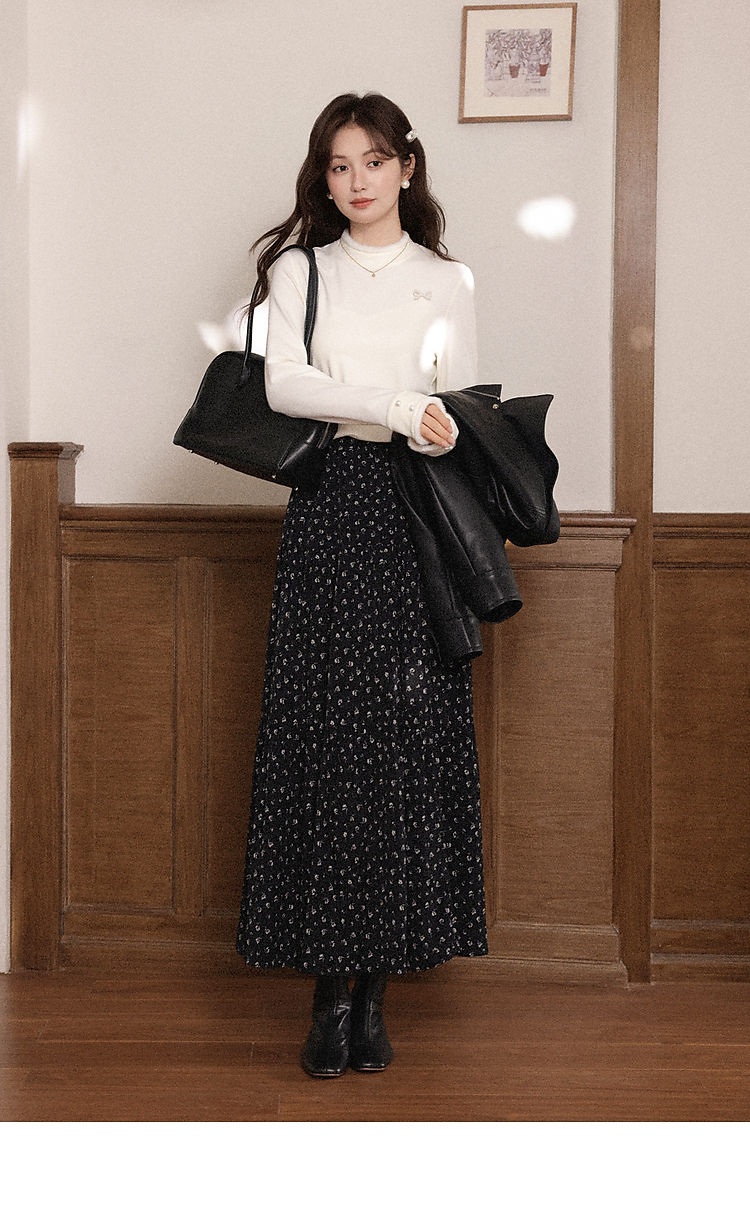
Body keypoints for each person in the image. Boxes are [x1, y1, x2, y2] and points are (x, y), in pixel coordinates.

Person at [236, 92, 488, 1078]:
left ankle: (376, 993)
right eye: (339, 165)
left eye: (374, 161)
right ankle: (326, 995)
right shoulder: (300, 269)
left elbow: (460, 402)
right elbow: (283, 385)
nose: (357, 182)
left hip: (419, 517)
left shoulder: (447, 279)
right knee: (325, 741)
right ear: (324, 176)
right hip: (333, 509)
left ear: (407, 167)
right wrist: (392, 404)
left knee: (404, 744)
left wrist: (439, 423)